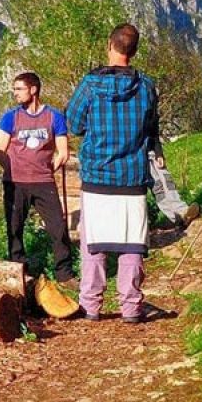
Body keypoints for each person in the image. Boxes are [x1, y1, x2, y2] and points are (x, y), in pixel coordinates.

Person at [65, 23, 168, 323]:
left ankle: (91, 305)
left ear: (110, 46)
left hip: (97, 176)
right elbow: (151, 129)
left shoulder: (90, 84)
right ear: (134, 51)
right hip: (133, 177)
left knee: (93, 244)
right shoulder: (146, 87)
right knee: (131, 243)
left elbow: (73, 124)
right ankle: (131, 307)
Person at [0, 71, 74, 283]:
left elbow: (63, 151)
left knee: (58, 227)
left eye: (19, 89)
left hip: (43, 182)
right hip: (16, 183)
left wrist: (49, 169)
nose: (15, 93)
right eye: (14, 89)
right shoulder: (10, 117)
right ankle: (19, 272)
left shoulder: (54, 117)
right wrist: (11, 172)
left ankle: (64, 273)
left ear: (33, 89)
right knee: (14, 228)